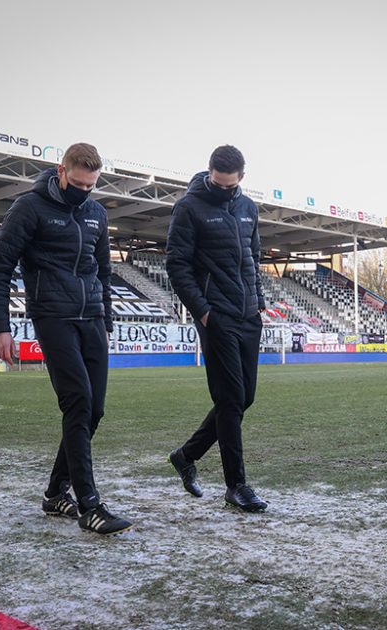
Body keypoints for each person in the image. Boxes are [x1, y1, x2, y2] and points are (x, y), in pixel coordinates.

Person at [0, 142, 132, 536]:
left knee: (94, 410)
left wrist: (107, 321)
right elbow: (0, 266)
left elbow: (103, 271)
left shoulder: (97, 213)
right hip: (53, 316)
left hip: (93, 320)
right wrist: (0, 326)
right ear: (61, 171)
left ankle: (54, 493)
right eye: (79, 184)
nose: (84, 192)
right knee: (78, 402)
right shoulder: (29, 207)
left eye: (91, 186)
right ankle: (90, 506)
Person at [165, 145, 268, 512]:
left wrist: (259, 303)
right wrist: (204, 312)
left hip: (248, 317)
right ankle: (236, 486)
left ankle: (186, 455)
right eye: (217, 183)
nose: (223, 190)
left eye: (230, 185)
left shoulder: (248, 208)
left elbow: (253, 258)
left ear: (241, 177)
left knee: (244, 399)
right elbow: (177, 266)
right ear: (209, 173)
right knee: (229, 401)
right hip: (217, 317)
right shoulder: (189, 207)